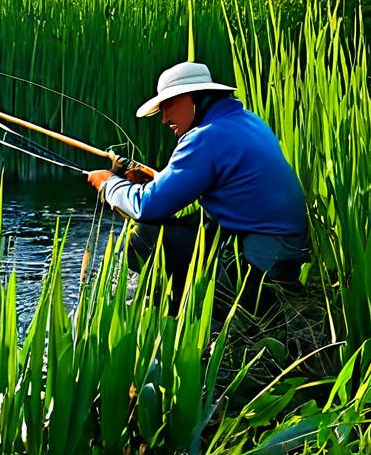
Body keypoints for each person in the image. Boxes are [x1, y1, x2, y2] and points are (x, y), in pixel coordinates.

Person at [86, 61, 309, 302]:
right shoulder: (246, 121)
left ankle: (192, 316)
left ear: (195, 97)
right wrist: (156, 180)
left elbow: (146, 207)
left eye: (169, 105)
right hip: (284, 260)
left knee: (146, 236)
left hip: (260, 272)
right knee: (190, 224)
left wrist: (108, 183)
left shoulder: (205, 137)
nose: (164, 118)